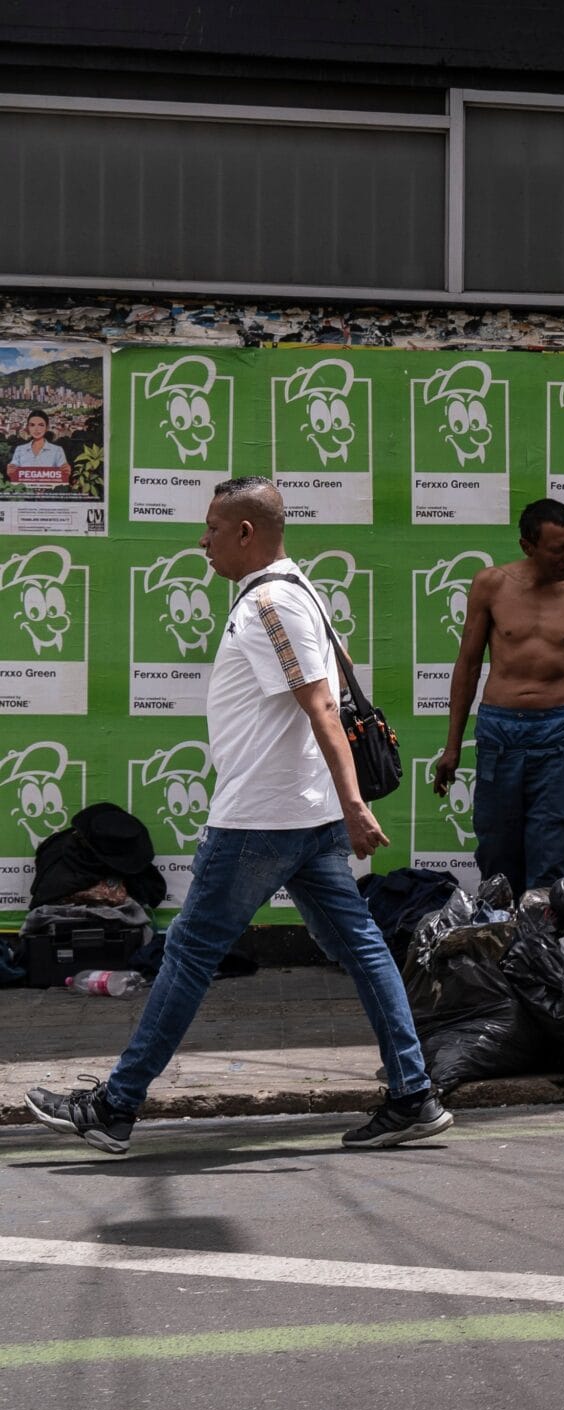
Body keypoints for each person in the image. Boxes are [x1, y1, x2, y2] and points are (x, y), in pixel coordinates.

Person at [25, 478, 448, 1155]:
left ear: (246, 532)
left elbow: (323, 706)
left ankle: (114, 1106)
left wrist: (354, 805)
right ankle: (413, 1094)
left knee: (190, 955)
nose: (203, 541)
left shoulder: (272, 603)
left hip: (262, 818)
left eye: (213, 528)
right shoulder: (296, 591)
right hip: (301, 816)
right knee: (362, 948)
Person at [434, 499, 564, 894]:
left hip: (556, 732)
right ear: (528, 546)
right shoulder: (491, 585)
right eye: (557, 549)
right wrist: (452, 746)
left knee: (552, 846)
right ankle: (499, 925)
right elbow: (468, 665)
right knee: (497, 845)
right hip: (500, 730)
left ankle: (541, 929)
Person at [6, 410, 69, 485]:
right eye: (32, 425)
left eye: (41, 425)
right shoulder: (20, 449)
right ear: (28, 427)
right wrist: (11, 472)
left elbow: (62, 478)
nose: (36, 429)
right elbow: (14, 477)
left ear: (47, 427)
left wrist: (66, 472)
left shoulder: (57, 450)